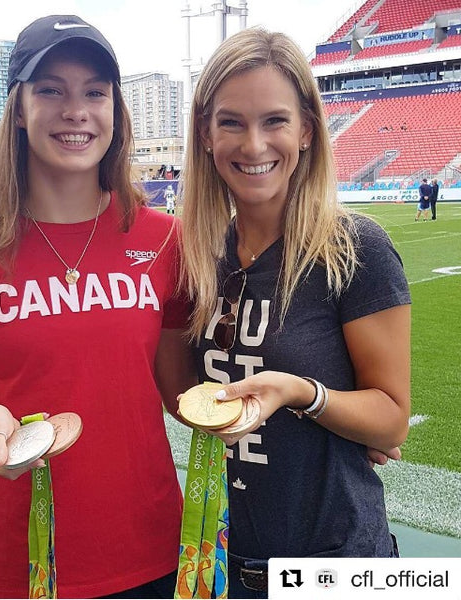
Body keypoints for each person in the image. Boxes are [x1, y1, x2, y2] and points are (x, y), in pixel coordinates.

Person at [0, 15, 195, 599]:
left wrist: (319, 410)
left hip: (151, 551)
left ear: (116, 108)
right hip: (22, 566)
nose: (76, 109)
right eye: (51, 90)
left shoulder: (166, 239)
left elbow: (185, 392)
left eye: (95, 92)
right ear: (18, 109)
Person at [179, 27, 411, 598]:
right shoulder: (197, 254)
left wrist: (303, 393)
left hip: (336, 562)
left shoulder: (355, 248)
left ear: (306, 130)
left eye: (274, 120)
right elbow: (182, 388)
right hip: (222, 556)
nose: (253, 145)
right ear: (206, 135)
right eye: (231, 121)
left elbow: (390, 420)